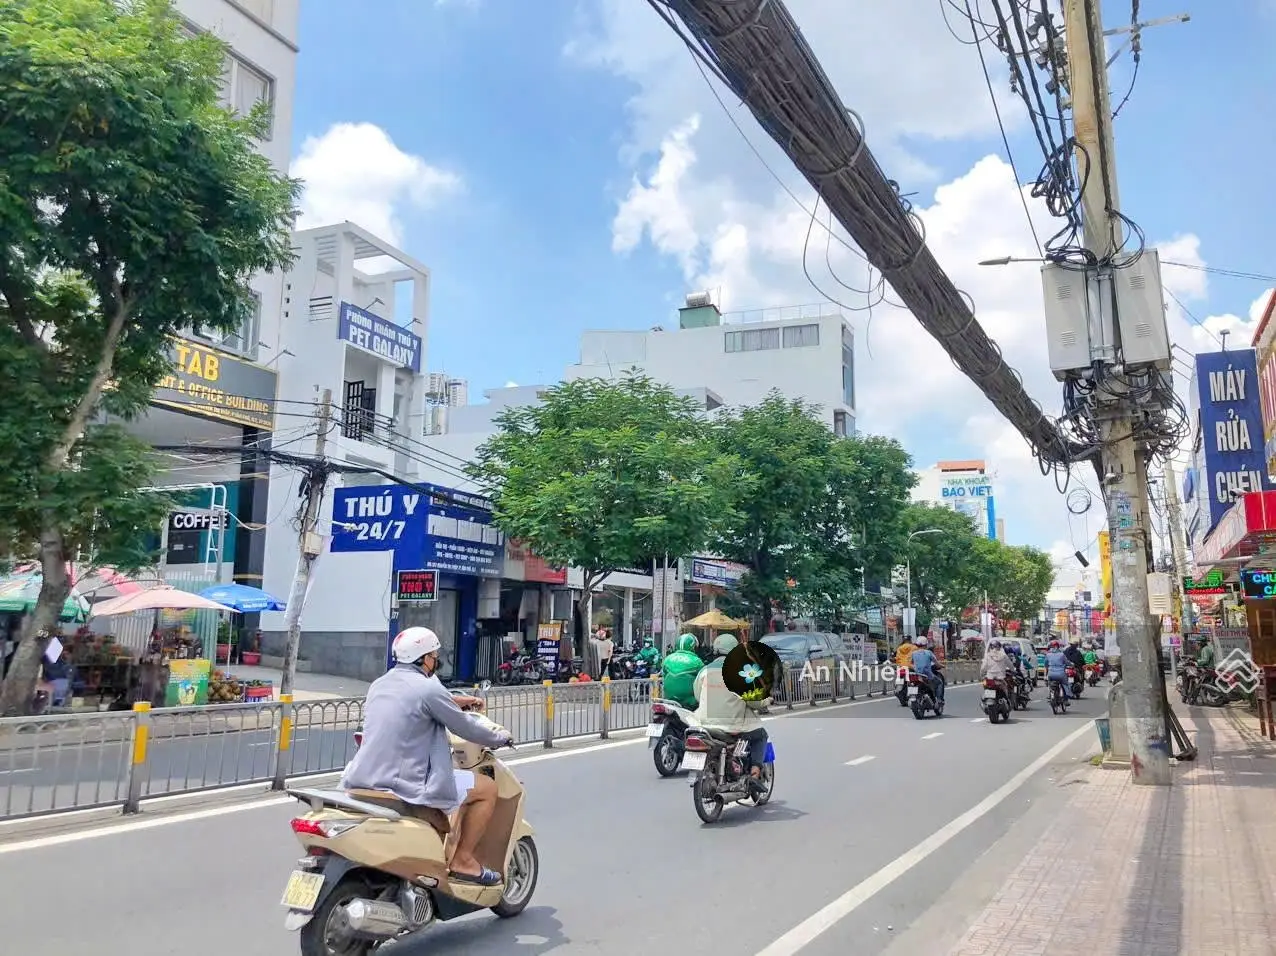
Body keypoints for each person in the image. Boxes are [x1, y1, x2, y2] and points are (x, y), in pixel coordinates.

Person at [340, 626, 513, 886]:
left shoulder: (380, 684)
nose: (436, 661)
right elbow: (464, 727)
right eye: (434, 655)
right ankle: (463, 860)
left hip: (363, 776)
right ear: (423, 658)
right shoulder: (427, 688)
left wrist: (456, 701)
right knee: (486, 789)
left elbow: (414, 702)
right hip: (404, 782)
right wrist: (501, 738)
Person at [694, 634, 769, 794]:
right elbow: (755, 702)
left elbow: (696, 694)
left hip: (703, 725)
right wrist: (766, 701)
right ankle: (755, 774)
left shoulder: (704, 671)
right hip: (730, 727)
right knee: (761, 735)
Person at [660, 634, 705, 709]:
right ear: (693, 646)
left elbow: (664, 675)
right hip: (690, 702)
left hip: (669, 698)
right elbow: (702, 679)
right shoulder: (697, 661)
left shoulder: (667, 659)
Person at [910, 636, 945, 705]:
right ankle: (939, 700)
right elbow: (937, 663)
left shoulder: (914, 653)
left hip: (918, 675)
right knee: (939, 683)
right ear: (926, 644)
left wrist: (915, 668)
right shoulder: (928, 653)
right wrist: (943, 666)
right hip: (928, 675)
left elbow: (911, 663)